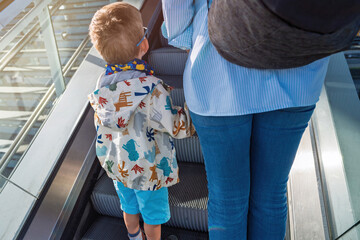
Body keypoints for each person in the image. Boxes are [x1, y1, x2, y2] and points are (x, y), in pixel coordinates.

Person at [161, 0, 330, 239]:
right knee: (271, 196)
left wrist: (193, 36)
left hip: (218, 69)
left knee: (227, 200)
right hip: (298, 70)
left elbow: (177, 14)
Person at [88, 3, 193, 240]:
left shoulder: (102, 84)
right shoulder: (151, 89)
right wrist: (191, 116)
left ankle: (134, 237)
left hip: (120, 166)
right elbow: (176, 126)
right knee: (153, 217)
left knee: (129, 208)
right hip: (149, 169)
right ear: (144, 45)